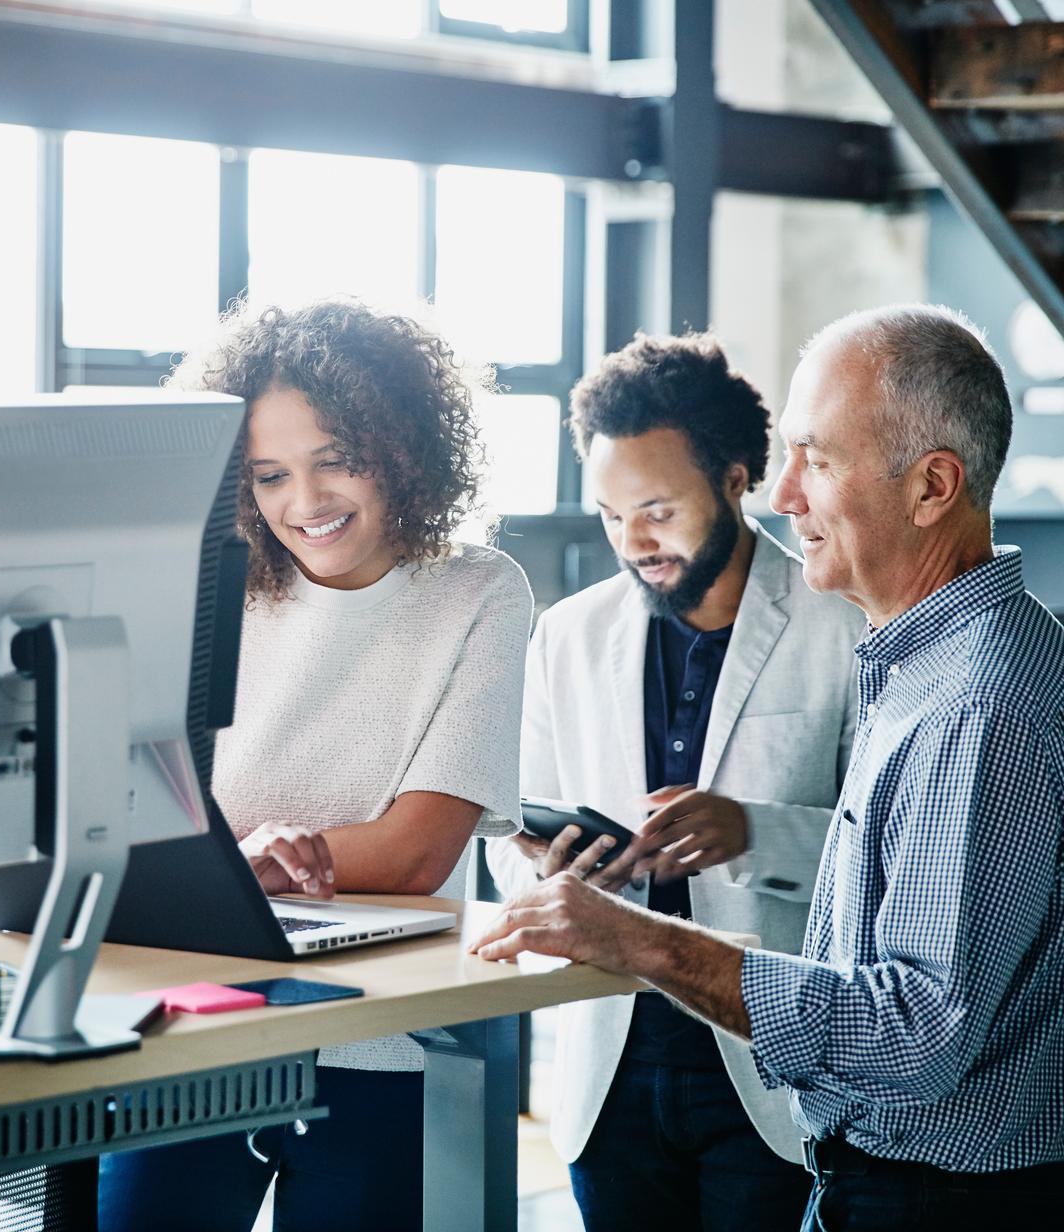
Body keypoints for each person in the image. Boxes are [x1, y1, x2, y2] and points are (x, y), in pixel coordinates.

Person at [474, 306, 1064, 1230]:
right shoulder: (925, 659)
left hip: (920, 1185)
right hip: (803, 1135)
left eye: (816, 460)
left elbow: (914, 1030)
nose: (787, 494)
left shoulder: (970, 701)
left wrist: (645, 935)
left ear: (932, 487)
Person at [98, 299, 532, 1232]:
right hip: (191, 1015)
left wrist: (238, 860)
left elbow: (417, 853)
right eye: (268, 475)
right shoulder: (201, 583)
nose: (306, 502)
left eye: (336, 459)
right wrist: (243, 859)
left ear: (406, 445)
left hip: (382, 1039)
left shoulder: (479, 590)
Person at [486, 332, 862, 1231]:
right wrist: (551, 870)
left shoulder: (842, 623)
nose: (632, 541)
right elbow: (506, 838)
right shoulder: (566, 636)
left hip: (773, 1067)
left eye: (656, 508)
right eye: (613, 515)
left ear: (735, 479)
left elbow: (890, 856)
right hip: (608, 1062)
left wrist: (752, 831)